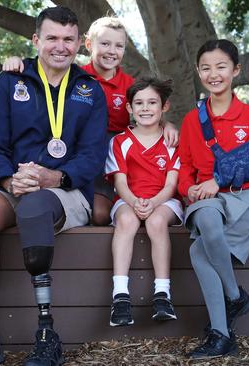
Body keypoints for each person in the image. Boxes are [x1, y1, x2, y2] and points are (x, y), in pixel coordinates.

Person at [0, 6, 108, 366]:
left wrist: (53, 178)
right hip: (16, 185)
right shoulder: (10, 82)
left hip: (66, 191)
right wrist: (12, 180)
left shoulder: (91, 90)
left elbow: (92, 156)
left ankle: (47, 334)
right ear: (36, 40)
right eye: (52, 38)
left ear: (79, 44)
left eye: (68, 39)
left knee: (36, 206)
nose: (60, 46)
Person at [3, 16, 179, 226]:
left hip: (115, 153)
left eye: (119, 45)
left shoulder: (131, 85)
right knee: (92, 210)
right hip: (78, 152)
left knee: (101, 215)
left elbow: (149, 108)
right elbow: (43, 70)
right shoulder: (75, 77)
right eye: (105, 43)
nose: (111, 51)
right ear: (87, 45)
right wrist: (16, 62)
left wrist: (166, 124)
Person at [179, 39, 249, 358]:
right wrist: (187, 188)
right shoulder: (193, 119)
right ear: (198, 72)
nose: (213, 74)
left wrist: (217, 180)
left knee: (197, 253)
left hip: (246, 197)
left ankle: (222, 333)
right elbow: (186, 166)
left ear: (235, 70)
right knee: (204, 215)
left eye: (221, 66)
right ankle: (234, 297)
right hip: (208, 201)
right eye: (206, 67)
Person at [105, 76, 184, 327]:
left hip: (165, 200)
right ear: (129, 108)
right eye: (139, 103)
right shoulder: (120, 141)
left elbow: (171, 185)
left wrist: (153, 202)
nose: (146, 108)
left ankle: (163, 294)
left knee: (157, 221)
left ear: (164, 107)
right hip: (128, 198)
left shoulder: (172, 142)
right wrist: (136, 202)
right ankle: (120, 295)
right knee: (127, 220)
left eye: (152, 102)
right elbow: (120, 183)